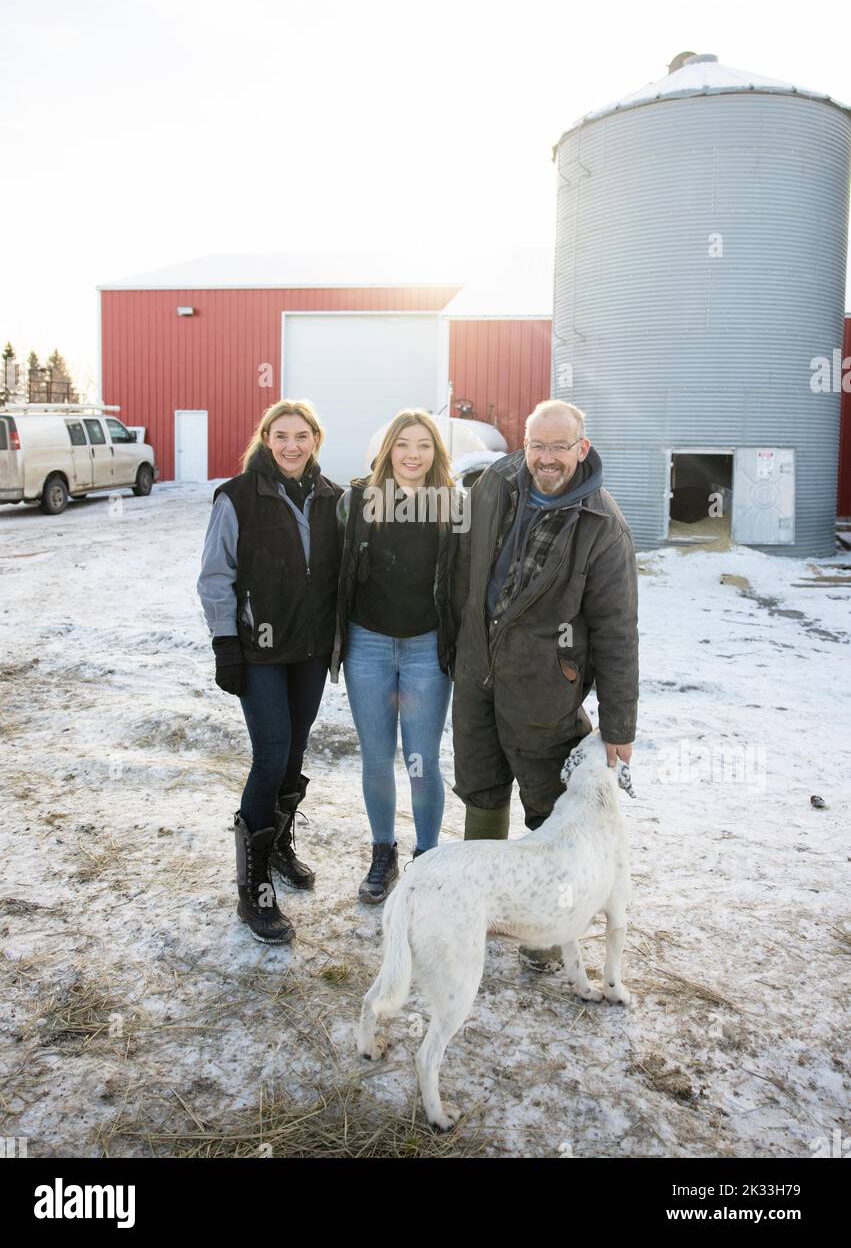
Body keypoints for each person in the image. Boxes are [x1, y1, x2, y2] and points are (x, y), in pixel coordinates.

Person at [451, 399, 638, 968]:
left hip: (545, 686)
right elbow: (460, 569)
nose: (547, 457)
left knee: (547, 805)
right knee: (480, 789)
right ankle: (478, 908)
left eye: (560, 446)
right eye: (538, 445)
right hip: (477, 672)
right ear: (523, 443)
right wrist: (453, 648)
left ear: (582, 448)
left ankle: (550, 926)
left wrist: (619, 724)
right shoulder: (494, 486)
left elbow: (616, 631)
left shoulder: (603, 525)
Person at [197, 399, 342, 945]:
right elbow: (216, 576)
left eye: (301, 435)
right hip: (258, 652)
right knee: (271, 753)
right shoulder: (236, 496)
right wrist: (225, 644)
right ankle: (254, 884)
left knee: (297, 751)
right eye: (280, 435)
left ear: (315, 440)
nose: (291, 445)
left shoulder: (332, 499)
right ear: (264, 437)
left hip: (307, 650)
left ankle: (278, 844)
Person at [331, 409, 461, 904]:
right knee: (377, 757)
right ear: (388, 449)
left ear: (436, 452)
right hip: (368, 644)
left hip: (428, 645)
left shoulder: (453, 504)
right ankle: (382, 852)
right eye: (403, 444)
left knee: (422, 759)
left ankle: (427, 857)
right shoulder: (358, 501)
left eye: (423, 445)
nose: (412, 454)